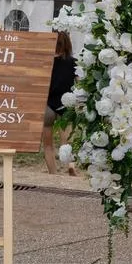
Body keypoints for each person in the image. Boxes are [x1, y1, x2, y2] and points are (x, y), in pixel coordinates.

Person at [43, 32, 78, 175]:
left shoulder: (46, 62)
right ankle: (71, 166)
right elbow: (79, 84)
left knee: (48, 145)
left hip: (48, 105)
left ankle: (53, 173)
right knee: (67, 142)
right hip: (66, 105)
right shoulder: (73, 62)